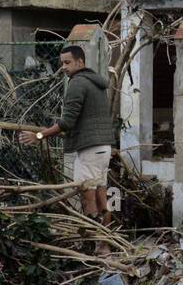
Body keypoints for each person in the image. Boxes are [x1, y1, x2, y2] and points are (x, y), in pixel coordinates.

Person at [19, 45, 113, 226]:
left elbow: (67, 122)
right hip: (103, 148)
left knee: (88, 199)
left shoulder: (77, 83)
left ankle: (99, 246)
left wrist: (38, 136)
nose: (63, 67)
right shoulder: (95, 82)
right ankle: (106, 243)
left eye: (68, 62)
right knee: (102, 199)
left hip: (90, 150)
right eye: (62, 63)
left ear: (80, 62)